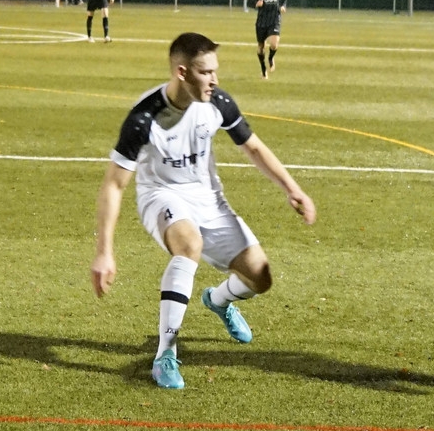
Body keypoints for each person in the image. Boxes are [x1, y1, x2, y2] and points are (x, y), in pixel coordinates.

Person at [90, 32, 316, 389]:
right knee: (189, 244)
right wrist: (104, 252)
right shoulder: (144, 118)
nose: (214, 79)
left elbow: (254, 147)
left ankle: (218, 300)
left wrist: (292, 188)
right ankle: (165, 355)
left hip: (209, 199)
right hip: (161, 196)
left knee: (261, 277)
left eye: (215, 71)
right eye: (205, 72)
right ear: (182, 72)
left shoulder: (217, 103)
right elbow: (114, 185)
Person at [248, 0, 287, 78]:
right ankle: (263, 70)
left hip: (275, 19)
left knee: (274, 44)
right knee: (261, 47)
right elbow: (249, 2)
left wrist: (282, 6)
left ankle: (270, 58)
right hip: (262, 21)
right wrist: (256, 4)